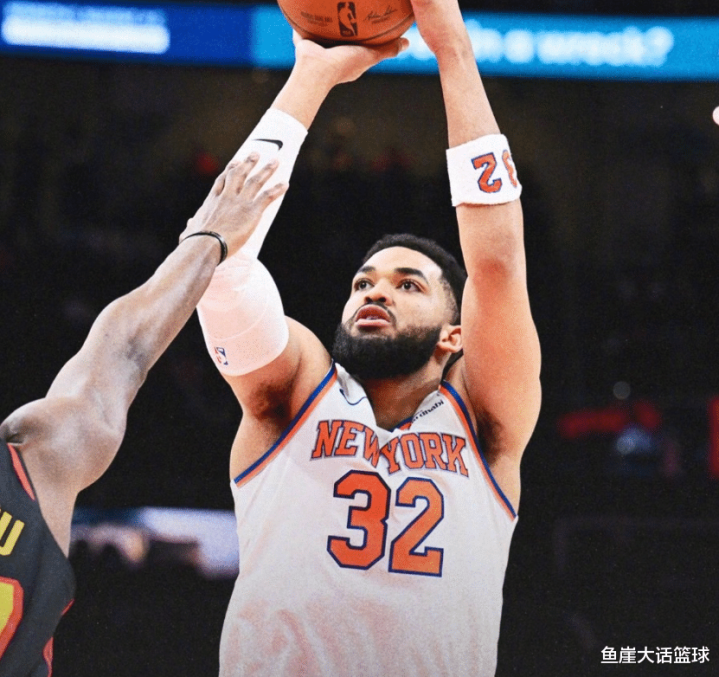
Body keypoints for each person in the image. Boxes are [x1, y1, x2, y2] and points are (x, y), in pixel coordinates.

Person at [197, 0, 541, 673]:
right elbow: (219, 266)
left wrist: (452, 49)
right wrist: (310, 77)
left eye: (408, 285)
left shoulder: (484, 418)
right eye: (363, 283)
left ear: (453, 336)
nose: (375, 292)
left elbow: (497, 266)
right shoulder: (297, 391)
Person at [0, 156, 287, 677]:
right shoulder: (35, 462)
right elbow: (124, 351)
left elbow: (125, 350)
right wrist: (210, 239)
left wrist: (210, 240)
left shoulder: (35, 460)